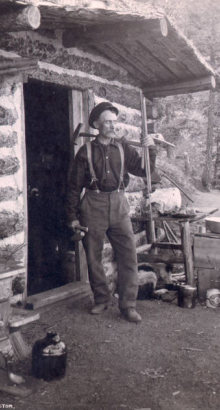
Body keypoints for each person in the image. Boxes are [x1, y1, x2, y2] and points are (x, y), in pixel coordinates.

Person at [66, 101, 157, 323]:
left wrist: (150, 149)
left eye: (114, 122)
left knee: (128, 256)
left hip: (118, 204)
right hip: (93, 205)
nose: (111, 126)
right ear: (97, 124)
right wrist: (72, 217)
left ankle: (128, 305)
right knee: (93, 255)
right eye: (107, 121)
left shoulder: (123, 147)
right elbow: (73, 187)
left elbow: (144, 171)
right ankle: (101, 299)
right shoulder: (85, 151)